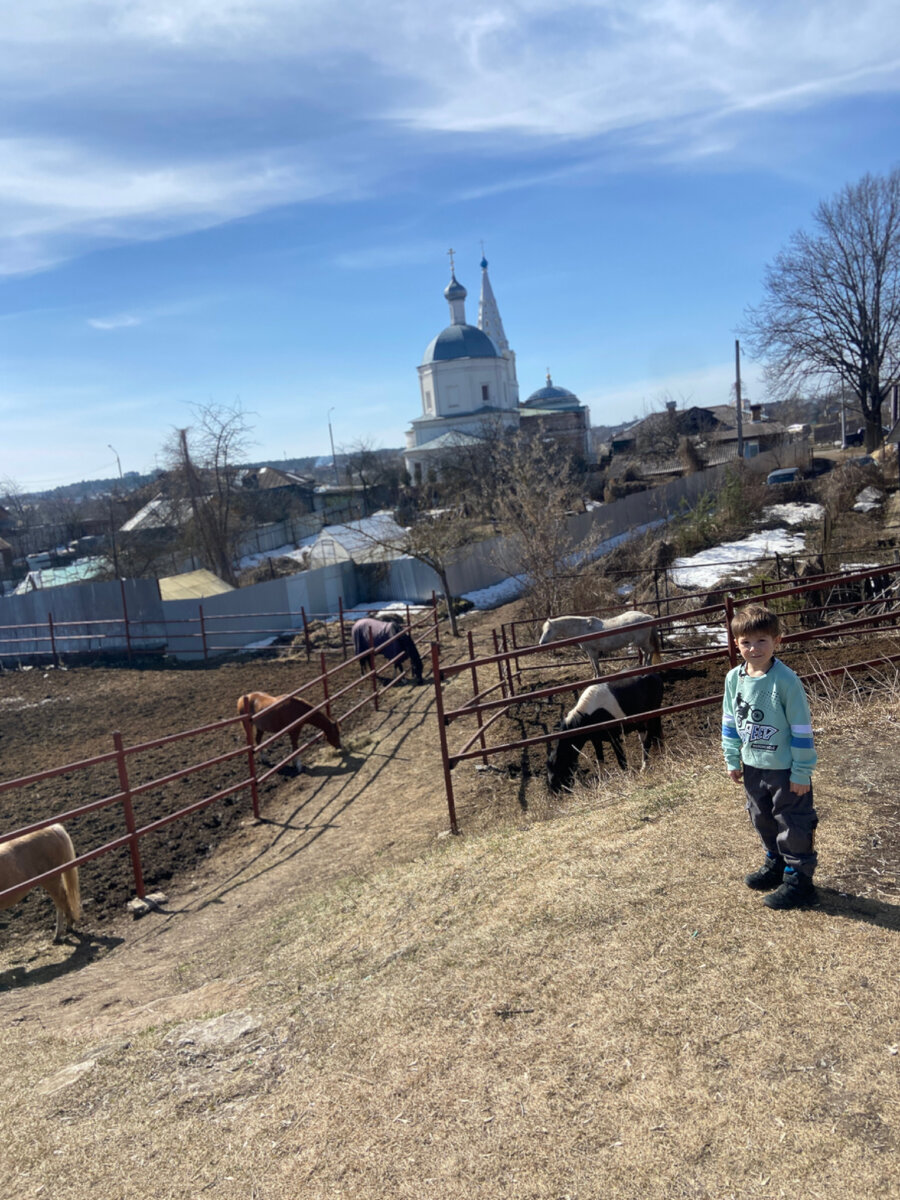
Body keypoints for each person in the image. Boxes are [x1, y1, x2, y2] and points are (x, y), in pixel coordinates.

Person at [722, 604, 818, 910]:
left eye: (762, 640)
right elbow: (730, 719)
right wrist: (732, 758)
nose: (754, 648)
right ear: (736, 644)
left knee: (792, 821)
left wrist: (801, 772)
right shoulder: (733, 679)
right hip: (753, 765)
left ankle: (799, 880)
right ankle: (776, 863)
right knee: (761, 817)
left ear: (778, 641)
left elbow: (801, 729)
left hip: (785, 769)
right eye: (746, 642)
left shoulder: (786, 681)